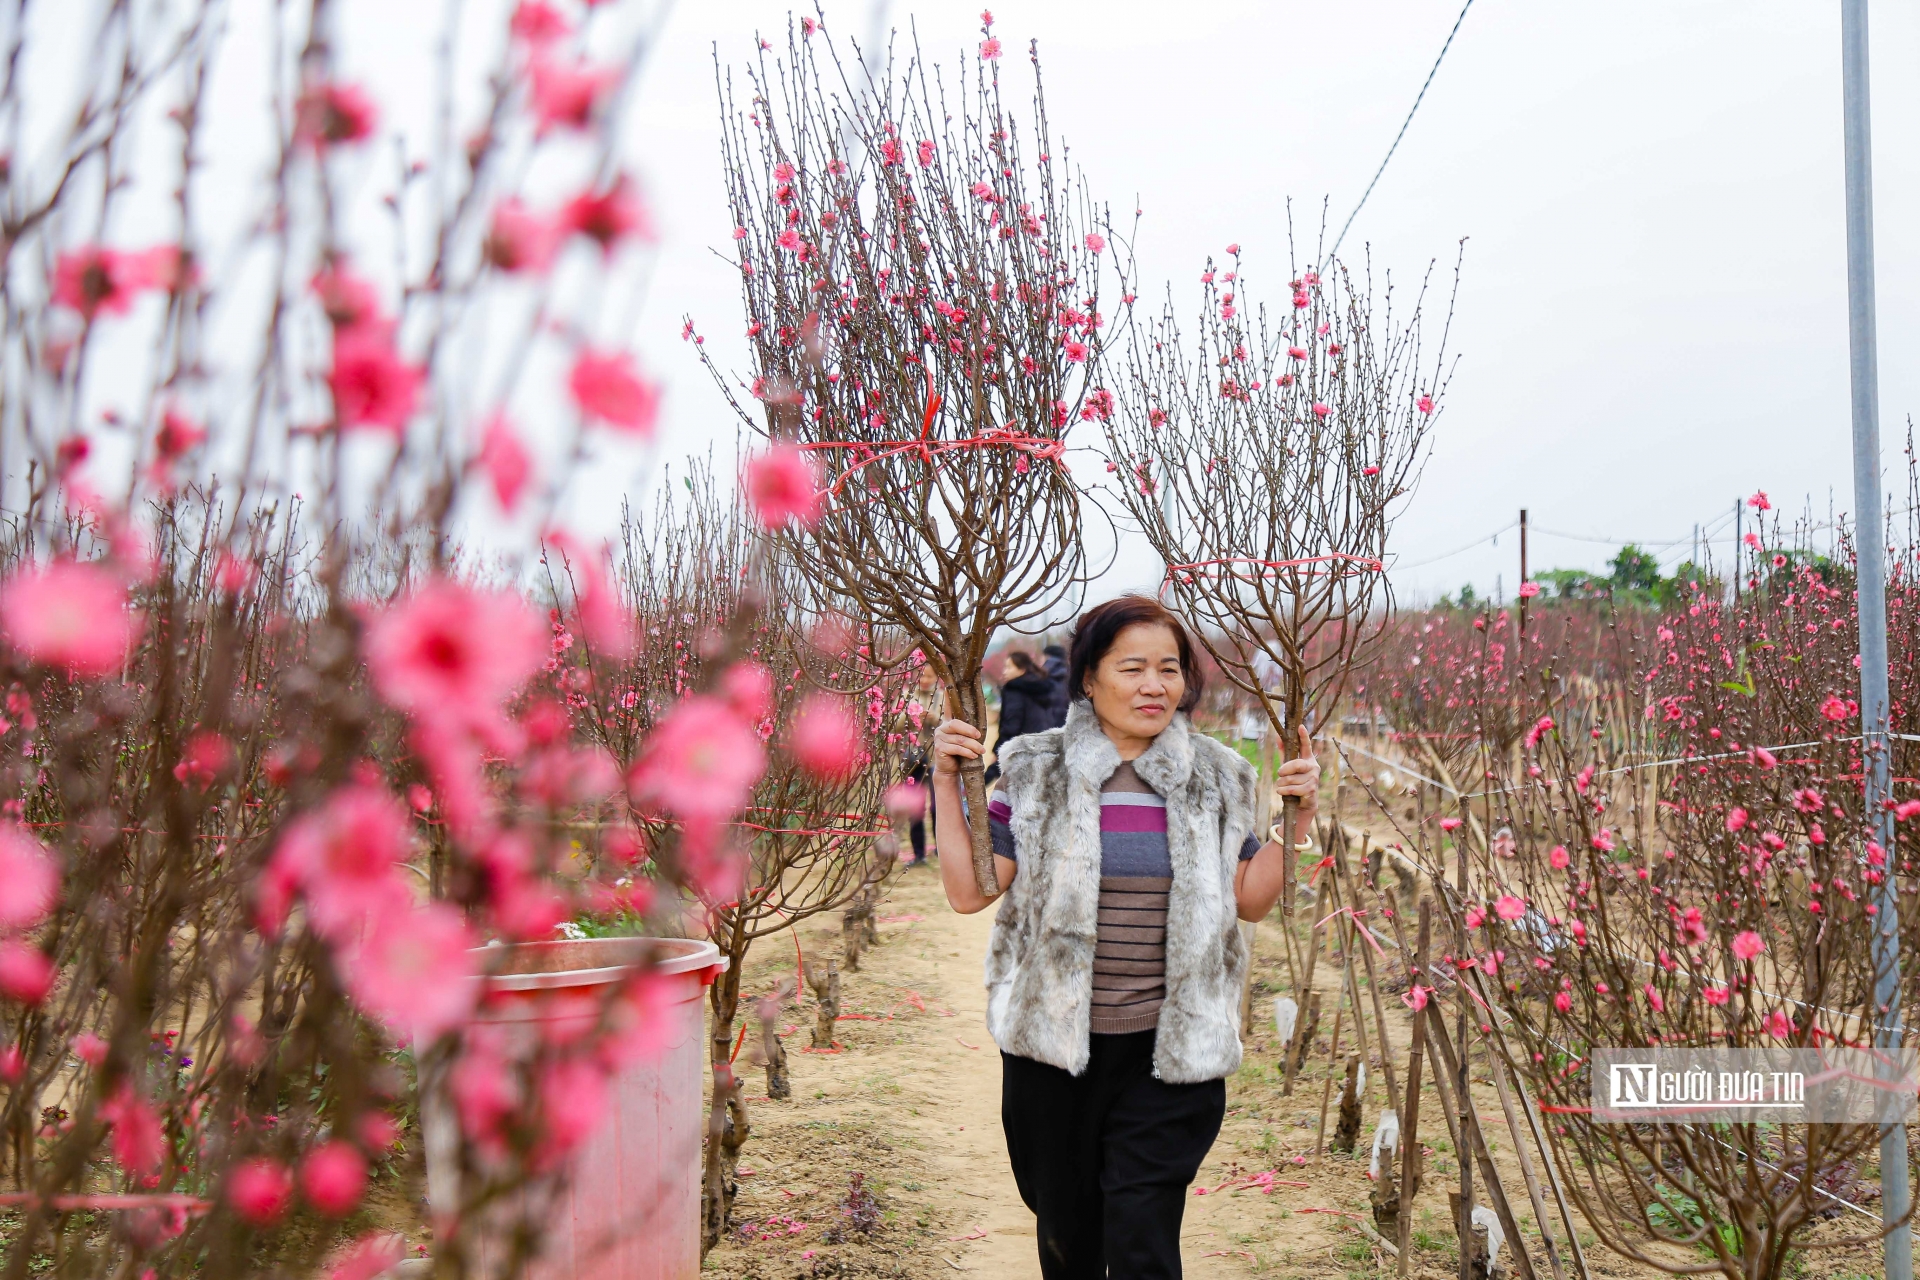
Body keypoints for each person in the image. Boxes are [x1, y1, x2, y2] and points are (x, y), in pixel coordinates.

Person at [930, 596, 1320, 1279]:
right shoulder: (1035, 771)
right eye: (1132, 667)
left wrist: (1298, 818)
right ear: (1088, 677)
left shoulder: (1217, 775)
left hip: (1168, 1055)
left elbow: (1251, 899)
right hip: (1054, 1053)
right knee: (1069, 1239)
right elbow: (970, 892)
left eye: (1169, 669)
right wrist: (943, 780)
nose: (1153, 685)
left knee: (1143, 1238)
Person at [903, 663, 944, 867]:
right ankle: (918, 854)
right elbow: (895, 724)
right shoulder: (907, 695)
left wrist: (934, 718)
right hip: (913, 758)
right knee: (915, 808)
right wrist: (912, 718)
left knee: (939, 807)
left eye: (930, 676)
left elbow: (948, 723)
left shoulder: (943, 697)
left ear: (937, 678)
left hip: (936, 759)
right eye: (922, 676)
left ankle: (941, 849)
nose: (925, 680)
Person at [1041, 642, 1070, 728]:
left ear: (1047, 656)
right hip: (1067, 725)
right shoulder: (1072, 674)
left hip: (1048, 726)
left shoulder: (1043, 676)